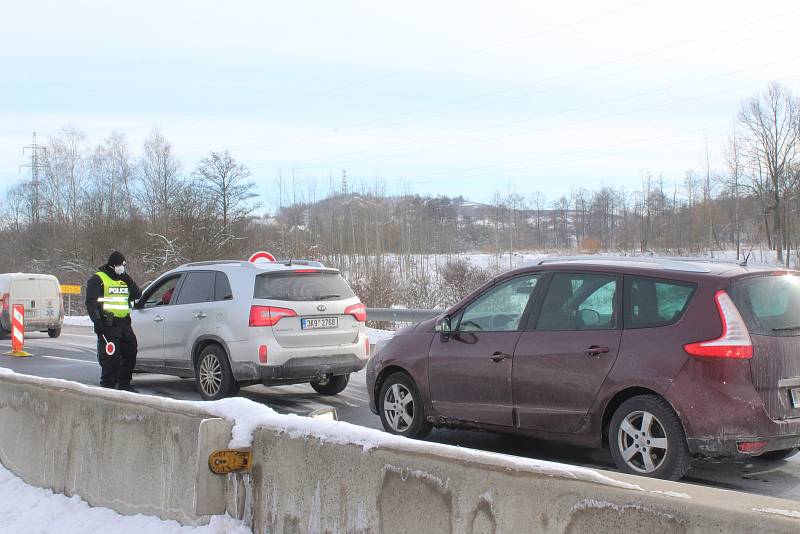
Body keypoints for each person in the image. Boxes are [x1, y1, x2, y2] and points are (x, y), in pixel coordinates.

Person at [85, 251, 142, 392]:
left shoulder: (124, 278)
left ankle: (124, 384)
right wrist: (97, 321)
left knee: (131, 353)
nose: (122, 267)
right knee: (112, 359)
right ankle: (107, 387)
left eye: (124, 265)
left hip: (125, 324)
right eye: (120, 265)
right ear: (112, 265)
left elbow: (137, 294)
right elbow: (90, 302)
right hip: (108, 325)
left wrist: (128, 279)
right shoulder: (98, 279)